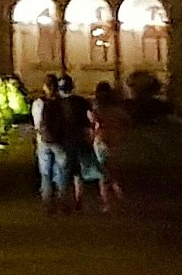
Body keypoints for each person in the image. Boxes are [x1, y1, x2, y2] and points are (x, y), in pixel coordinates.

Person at [39, 79, 94, 213]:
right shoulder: (80, 102)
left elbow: (42, 122)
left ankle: (49, 204)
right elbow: (89, 120)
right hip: (69, 141)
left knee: (47, 174)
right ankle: (69, 202)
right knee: (71, 172)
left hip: (48, 141)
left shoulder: (51, 103)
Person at [84, 77, 126, 211]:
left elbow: (92, 126)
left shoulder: (95, 109)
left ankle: (108, 202)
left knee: (103, 174)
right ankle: (119, 198)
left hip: (101, 142)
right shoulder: (117, 110)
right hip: (115, 142)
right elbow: (127, 122)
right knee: (113, 172)